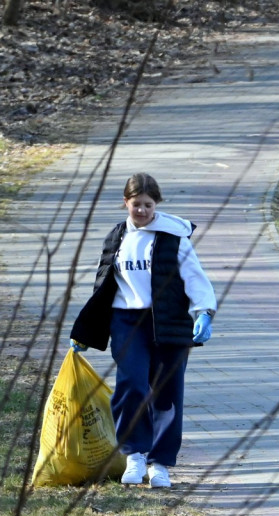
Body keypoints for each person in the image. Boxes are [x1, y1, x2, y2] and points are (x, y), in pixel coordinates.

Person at [69, 173, 217, 488]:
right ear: (126, 202)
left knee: (167, 394)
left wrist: (204, 312)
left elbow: (195, 277)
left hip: (169, 321)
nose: (142, 211)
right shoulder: (115, 237)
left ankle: (160, 464)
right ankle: (134, 454)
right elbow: (103, 287)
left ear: (156, 205)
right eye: (136, 205)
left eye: (148, 205)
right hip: (126, 321)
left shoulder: (173, 236)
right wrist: (85, 329)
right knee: (132, 384)